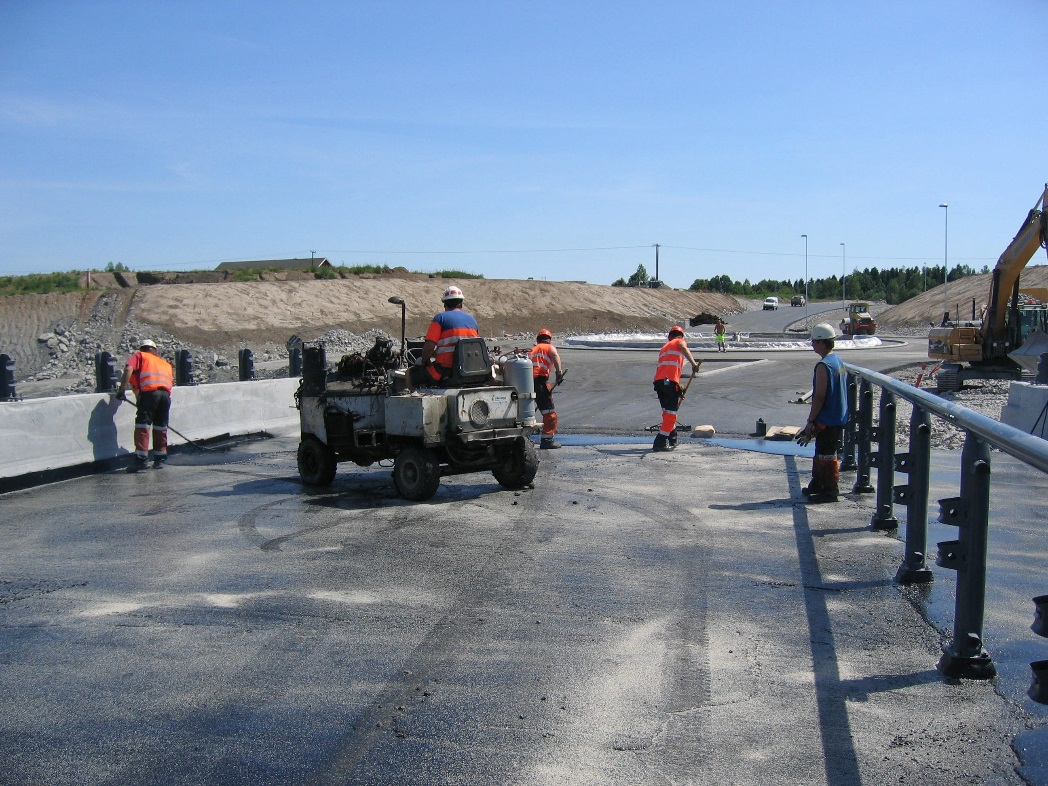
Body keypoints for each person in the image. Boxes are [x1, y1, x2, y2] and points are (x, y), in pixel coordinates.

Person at [795, 323, 849, 502]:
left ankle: (830, 490)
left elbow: (819, 396)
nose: (812, 345)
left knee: (826, 453)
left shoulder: (823, 366)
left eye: (814, 341)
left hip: (828, 418)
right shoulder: (838, 361)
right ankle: (818, 484)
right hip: (837, 415)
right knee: (821, 451)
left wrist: (810, 421)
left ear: (822, 342)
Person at [113, 339, 174, 472]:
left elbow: (129, 368)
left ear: (142, 349)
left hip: (150, 394)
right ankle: (159, 460)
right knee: (160, 426)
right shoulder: (164, 363)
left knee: (142, 425)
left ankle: (141, 460)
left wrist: (122, 390)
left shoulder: (140, 356)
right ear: (155, 351)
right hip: (165, 396)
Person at [409, 285, 480, 389]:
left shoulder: (440, 318)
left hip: (444, 372)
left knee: (410, 374)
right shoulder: (472, 320)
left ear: (445, 303)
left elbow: (429, 347)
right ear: (461, 303)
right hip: (470, 371)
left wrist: (424, 361)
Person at [652, 326, 700, 452]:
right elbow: (684, 348)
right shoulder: (679, 342)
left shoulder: (665, 348)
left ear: (669, 336)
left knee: (666, 412)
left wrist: (678, 388)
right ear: (681, 336)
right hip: (669, 382)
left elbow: (675, 366)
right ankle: (660, 441)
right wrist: (694, 364)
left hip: (659, 383)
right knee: (671, 415)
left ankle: (672, 436)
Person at [529, 328, 565, 449]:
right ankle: (547, 440)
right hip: (540, 382)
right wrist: (559, 373)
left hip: (527, 383)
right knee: (549, 413)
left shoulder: (532, 349)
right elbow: (555, 356)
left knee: (527, 411)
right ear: (549, 340)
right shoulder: (549, 348)